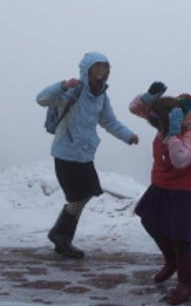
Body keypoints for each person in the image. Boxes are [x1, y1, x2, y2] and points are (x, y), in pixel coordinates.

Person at [35, 51, 139, 260]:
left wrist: (128, 136)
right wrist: (62, 85)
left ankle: (61, 236)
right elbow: (41, 99)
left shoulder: (101, 95)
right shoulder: (72, 90)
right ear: (87, 69)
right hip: (66, 152)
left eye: (105, 67)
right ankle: (61, 237)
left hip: (85, 154)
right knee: (77, 196)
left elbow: (109, 121)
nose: (101, 71)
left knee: (86, 193)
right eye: (97, 66)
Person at [128, 83, 191, 305]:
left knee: (180, 238)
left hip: (182, 191)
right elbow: (135, 109)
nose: (150, 122)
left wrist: (173, 135)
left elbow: (182, 161)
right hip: (160, 185)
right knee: (148, 219)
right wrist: (147, 98)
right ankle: (170, 260)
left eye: (154, 119)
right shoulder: (164, 123)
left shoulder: (189, 132)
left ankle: (186, 283)